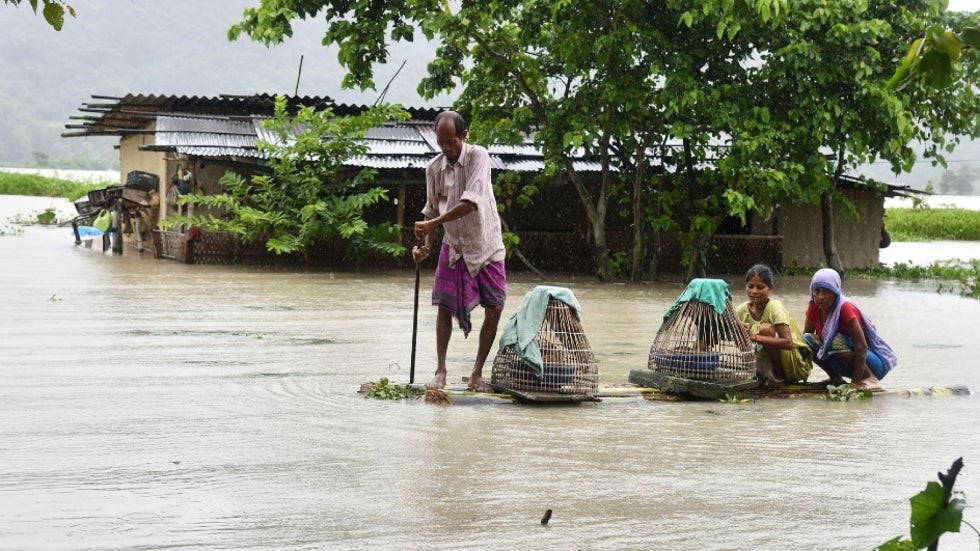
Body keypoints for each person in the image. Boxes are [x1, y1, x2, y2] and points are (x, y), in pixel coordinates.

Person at [413, 111, 507, 393]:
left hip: (485, 243)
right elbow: (432, 209)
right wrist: (426, 246)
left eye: (451, 142)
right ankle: (440, 370)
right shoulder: (434, 168)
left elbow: (470, 202)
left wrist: (432, 223)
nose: (446, 148)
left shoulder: (479, 156)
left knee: (495, 308)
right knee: (443, 305)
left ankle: (477, 373)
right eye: (441, 143)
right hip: (454, 246)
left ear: (464, 136)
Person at [803, 268, 897, 391]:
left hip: (870, 363)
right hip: (846, 364)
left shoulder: (845, 308)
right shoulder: (813, 307)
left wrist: (855, 384)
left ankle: (870, 378)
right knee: (806, 340)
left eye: (826, 292)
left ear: (836, 292)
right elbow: (806, 337)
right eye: (817, 291)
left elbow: (861, 347)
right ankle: (835, 377)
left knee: (832, 339)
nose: (820, 297)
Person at [735, 264, 812, 386]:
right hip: (763, 361)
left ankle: (779, 377)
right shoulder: (741, 310)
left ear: (770, 289)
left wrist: (755, 337)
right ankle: (764, 375)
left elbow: (788, 343)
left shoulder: (774, 307)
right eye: (750, 286)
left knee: (766, 330)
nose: (754, 291)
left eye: (760, 287)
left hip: (793, 363)